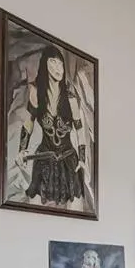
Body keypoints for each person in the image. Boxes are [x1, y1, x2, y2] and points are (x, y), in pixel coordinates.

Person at [18, 46, 88, 205]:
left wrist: (82, 159)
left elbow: (80, 130)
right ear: (45, 64)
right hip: (44, 159)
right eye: (53, 62)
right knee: (35, 205)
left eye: (61, 64)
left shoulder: (70, 99)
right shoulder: (36, 94)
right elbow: (28, 123)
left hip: (68, 161)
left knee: (75, 207)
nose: (58, 68)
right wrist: (21, 151)